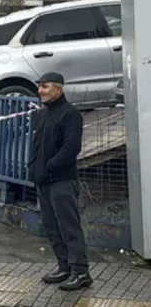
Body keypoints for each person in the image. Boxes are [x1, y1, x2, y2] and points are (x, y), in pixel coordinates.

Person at [30, 72, 90, 291]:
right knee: (51, 226)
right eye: (39, 87)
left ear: (58, 89)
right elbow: (36, 146)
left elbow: (71, 148)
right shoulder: (41, 115)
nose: (40, 91)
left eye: (45, 87)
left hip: (62, 181)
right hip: (43, 181)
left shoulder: (71, 114)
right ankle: (63, 265)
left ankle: (80, 271)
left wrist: (50, 166)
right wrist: (33, 169)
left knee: (69, 227)